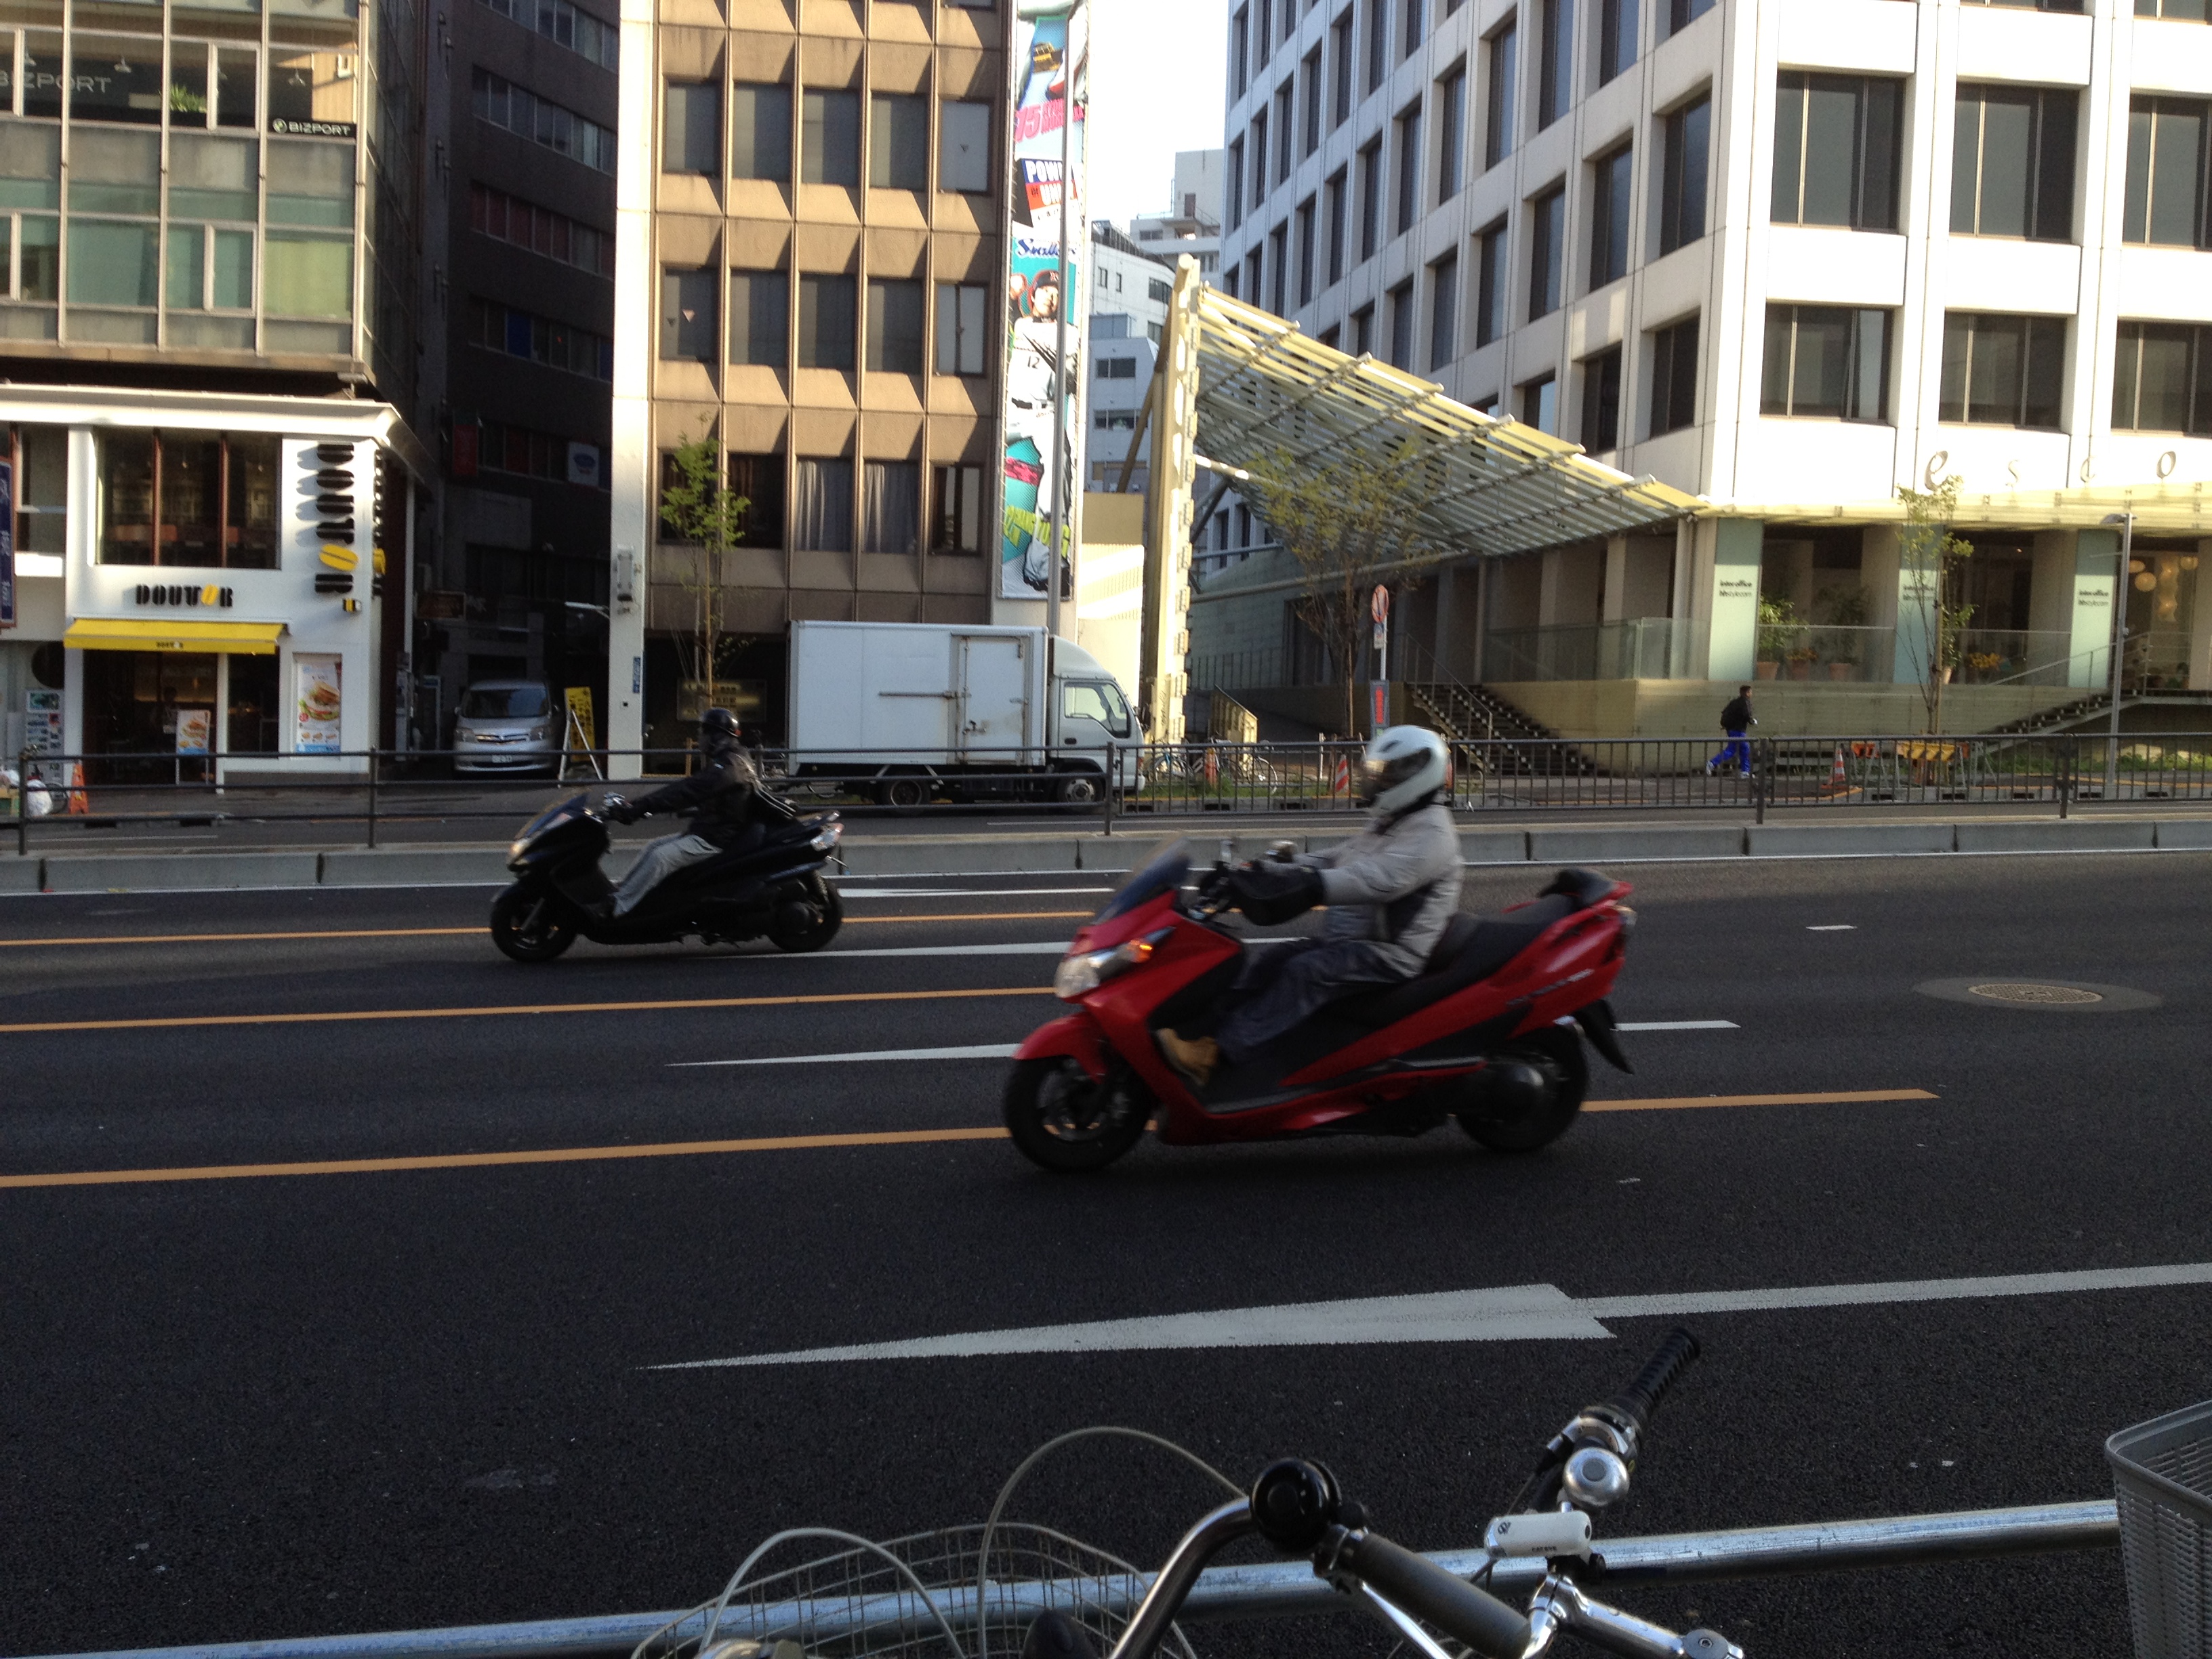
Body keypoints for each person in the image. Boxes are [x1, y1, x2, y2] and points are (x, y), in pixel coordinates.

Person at [1155, 726, 1463, 1090]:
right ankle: (1202, 1033)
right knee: (1271, 960)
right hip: (1352, 940)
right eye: (1378, 774)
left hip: (1392, 953)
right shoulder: (1393, 821)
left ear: (1419, 774)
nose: (1379, 783)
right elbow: (1335, 858)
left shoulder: (1433, 833)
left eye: (1389, 775)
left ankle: (1214, 1056)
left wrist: (1311, 886)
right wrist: (1260, 870)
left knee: (1306, 972)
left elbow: (1376, 878)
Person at [602, 708, 764, 917]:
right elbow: (695, 790)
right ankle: (622, 891)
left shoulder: (730, 766)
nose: (699, 737)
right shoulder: (729, 759)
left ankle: (616, 909)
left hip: (715, 839)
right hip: (707, 830)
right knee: (653, 847)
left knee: (661, 857)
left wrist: (641, 807)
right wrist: (638, 806)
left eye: (703, 732)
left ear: (716, 735)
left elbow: (687, 791)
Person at [1708, 684, 1756, 775]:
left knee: (1743, 750)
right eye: (1750, 692)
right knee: (1733, 750)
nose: (1751, 694)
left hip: (1731, 730)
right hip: (1739, 731)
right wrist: (1752, 721)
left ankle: (1745, 771)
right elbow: (1747, 715)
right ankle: (1712, 763)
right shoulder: (1745, 702)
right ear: (1747, 693)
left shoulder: (1734, 702)